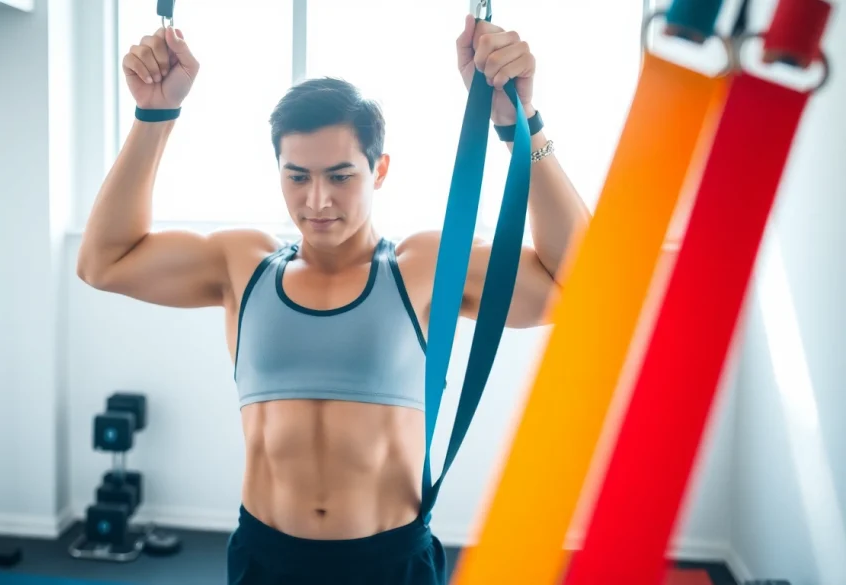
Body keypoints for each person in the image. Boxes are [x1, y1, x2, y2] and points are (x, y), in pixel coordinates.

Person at [77, 12, 591, 585]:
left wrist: (523, 125)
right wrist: (154, 114)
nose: (317, 200)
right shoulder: (241, 264)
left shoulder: (426, 267)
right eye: (297, 177)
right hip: (266, 559)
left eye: (340, 176)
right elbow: (104, 262)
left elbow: (583, 285)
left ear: (381, 170)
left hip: (388, 562)